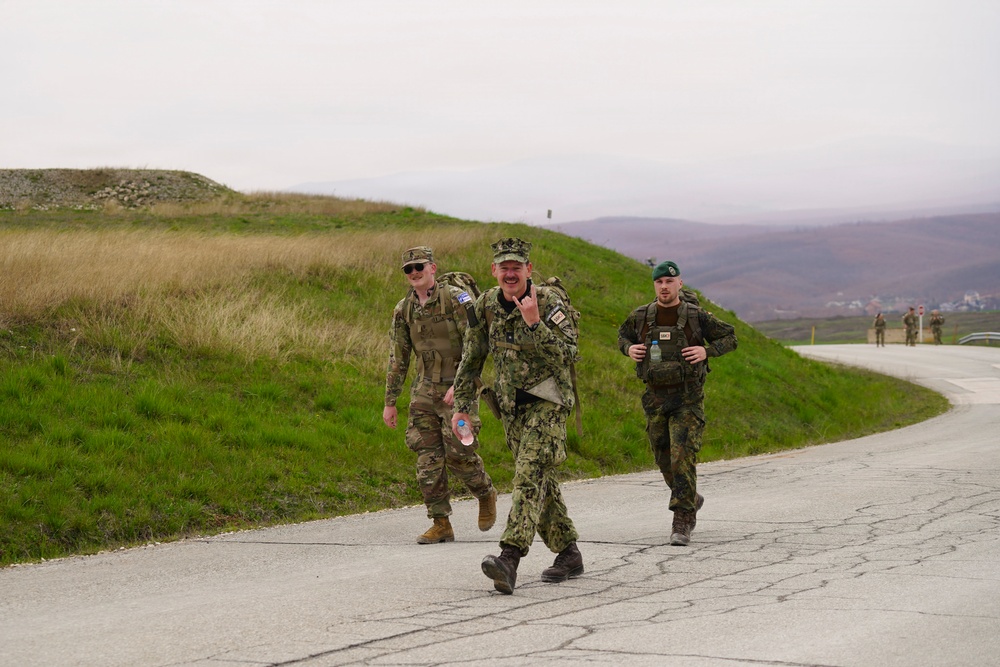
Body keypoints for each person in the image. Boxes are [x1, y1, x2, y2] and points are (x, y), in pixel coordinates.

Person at [451, 237, 582, 595]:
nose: (510, 273)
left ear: (529, 269)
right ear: (494, 271)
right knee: (541, 482)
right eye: (503, 267)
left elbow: (569, 356)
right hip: (512, 408)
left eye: (517, 267)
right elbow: (471, 358)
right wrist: (462, 407)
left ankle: (509, 558)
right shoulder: (486, 305)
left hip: (549, 401)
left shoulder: (549, 303)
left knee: (527, 474)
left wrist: (535, 323)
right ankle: (569, 553)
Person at [617, 260, 737, 546]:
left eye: (670, 282)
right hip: (655, 398)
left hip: (688, 398)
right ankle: (691, 497)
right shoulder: (642, 315)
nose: (664, 287)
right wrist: (628, 349)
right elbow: (622, 336)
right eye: (659, 282)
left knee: (682, 457)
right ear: (654, 285)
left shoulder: (695, 315)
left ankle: (682, 519)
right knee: (663, 459)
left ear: (679, 284)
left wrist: (706, 351)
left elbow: (731, 337)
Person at [383, 246, 497, 545]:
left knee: (459, 452)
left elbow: (477, 343)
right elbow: (398, 357)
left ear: (432, 267)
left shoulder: (457, 299)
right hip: (423, 392)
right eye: (408, 269)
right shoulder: (403, 309)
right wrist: (390, 402)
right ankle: (441, 522)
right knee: (427, 458)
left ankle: (485, 492)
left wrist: (461, 383)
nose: (414, 273)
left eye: (419, 266)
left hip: (457, 389)